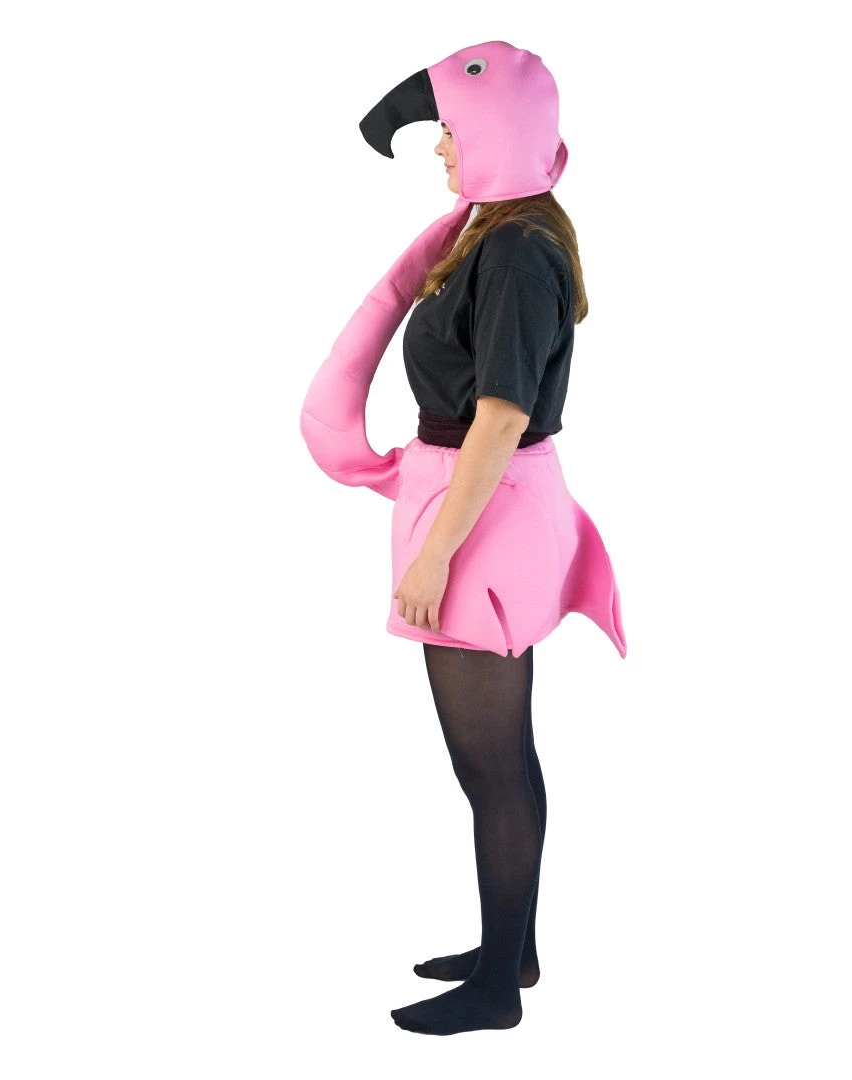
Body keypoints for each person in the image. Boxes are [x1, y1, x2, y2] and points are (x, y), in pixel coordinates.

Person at [301, 41, 627, 1036]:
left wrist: (435, 552)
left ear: (494, 133)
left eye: (450, 131)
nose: (441, 148)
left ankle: (495, 991)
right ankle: (508, 950)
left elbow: (500, 417)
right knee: (499, 756)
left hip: (484, 517)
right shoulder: (496, 233)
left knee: (489, 761)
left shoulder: (517, 251)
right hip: (483, 502)